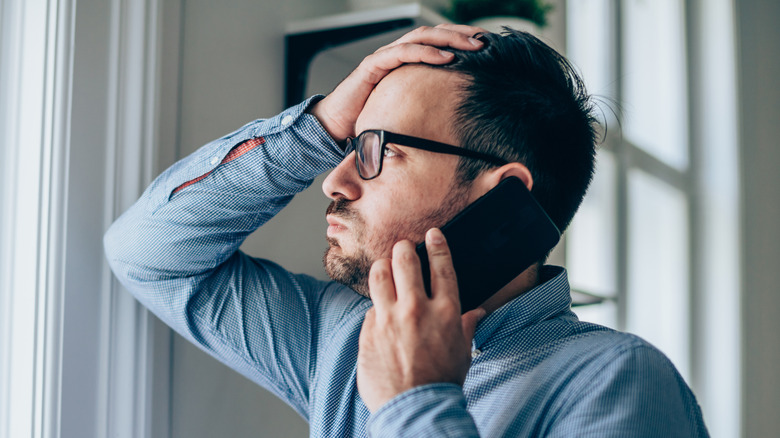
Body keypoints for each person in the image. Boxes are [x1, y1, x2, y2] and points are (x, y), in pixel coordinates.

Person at [104, 24, 708, 436]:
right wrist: (316, 126)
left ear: (501, 194)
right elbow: (151, 253)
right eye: (345, 143)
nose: (332, 180)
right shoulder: (341, 341)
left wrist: (413, 402)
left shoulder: (617, 383)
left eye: (375, 149)